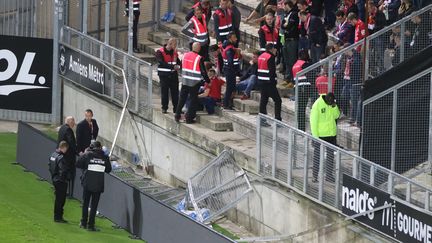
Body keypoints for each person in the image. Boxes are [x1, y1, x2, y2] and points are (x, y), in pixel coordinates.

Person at [76, 141, 112, 231]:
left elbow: (78, 163)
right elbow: (108, 169)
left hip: (87, 183)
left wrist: (85, 154)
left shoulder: (88, 155)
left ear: (92, 147)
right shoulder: (104, 157)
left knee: (85, 203)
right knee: (94, 206)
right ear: (100, 148)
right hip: (98, 185)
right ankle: (91, 225)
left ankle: (83, 223)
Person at [175, 42, 210, 124]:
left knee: (182, 99)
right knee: (192, 100)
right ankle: (189, 118)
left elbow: (181, 66)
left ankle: (177, 115)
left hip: (185, 81)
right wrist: (208, 81)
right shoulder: (198, 58)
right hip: (194, 82)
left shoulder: (185, 55)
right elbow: (203, 72)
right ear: (198, 48)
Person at [310, 92, 340, 183]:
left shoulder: (332, 105)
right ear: (327, 100)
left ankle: (329, 176)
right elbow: (313, 122)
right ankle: (315, 175)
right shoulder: (317, 105)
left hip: (331, 134)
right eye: (331, 103)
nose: (331, 104)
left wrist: (335, 107)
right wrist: (315, 137)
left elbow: (337, 115)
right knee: (317, 156)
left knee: (331, 156)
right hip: (320, 136)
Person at [155, 38, 181, 114]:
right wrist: (173, 67)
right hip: (164, 75)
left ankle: (176, 108)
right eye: (174, 44)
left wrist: (178, 66)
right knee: (164, 92)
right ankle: (164, 108)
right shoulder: (160, 52)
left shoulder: (175, 53)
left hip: (173, 75)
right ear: (169, 44)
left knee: (175, 92)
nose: (175, 46)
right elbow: (161, 63)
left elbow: (178, 63)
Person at [257, 43, 282, 121]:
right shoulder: (270, 57)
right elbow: (272, 71)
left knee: (263, 101)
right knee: (278, 100)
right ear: (271, 49)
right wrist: (274, 82)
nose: (276, 50)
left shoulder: (261, 56)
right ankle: (278, 119)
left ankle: (262, 120)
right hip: (269, 83)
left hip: (261, 82)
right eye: (275, 49)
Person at [49, 141, 70, 223]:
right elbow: (63, 170)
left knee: (57, 199)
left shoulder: (53, 155)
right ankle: (58, 217)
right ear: (64, 147)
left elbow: (49, 166)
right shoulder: (61, 157)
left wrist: (54, 177)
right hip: (61, 182)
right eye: (66, 149)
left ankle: (57, 216)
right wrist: (63, 179)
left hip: (54, 179)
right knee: (61, 200)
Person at [292, 50, 312, 131]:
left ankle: (300, 127)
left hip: (297, 87)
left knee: (300, 108)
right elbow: (310, 75)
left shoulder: (295, 64)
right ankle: (301, 128)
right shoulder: (304, 64)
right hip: (304, 87)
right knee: (302, 108)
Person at [281, 0, 299, 86]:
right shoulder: (286, 14)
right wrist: (285, 25)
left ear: (288, 5)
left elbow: (289, 25)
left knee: (292, 60)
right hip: (286, 40)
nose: (283, 8)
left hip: (292, 40)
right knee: (286, 60)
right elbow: (282, 25)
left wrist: (286, 25)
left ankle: (293, 80)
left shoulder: (294, 14)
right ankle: (287, 78)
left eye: (284, 6)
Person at [57, 116, 77, 197]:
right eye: (73, 122)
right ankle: (67, 192)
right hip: (68, 156)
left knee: (61, 173)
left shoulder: (62, 128)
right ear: (69, 122)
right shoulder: (68, 130)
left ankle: (59, 190)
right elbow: (71, 142)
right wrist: (77, 151)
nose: (74, 123)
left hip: (61, 154)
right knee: (68, 174)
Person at [222, 32, 241, 109]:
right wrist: (234, 70)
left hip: (229, 70)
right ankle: (226, 104)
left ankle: (228, 103)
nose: (236, 39)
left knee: (231, 87)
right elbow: (230, 62)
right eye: (234, 37)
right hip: (230, 71)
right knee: (230, 88)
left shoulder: (230, 48)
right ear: (230, 39)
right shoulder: (230, 49)